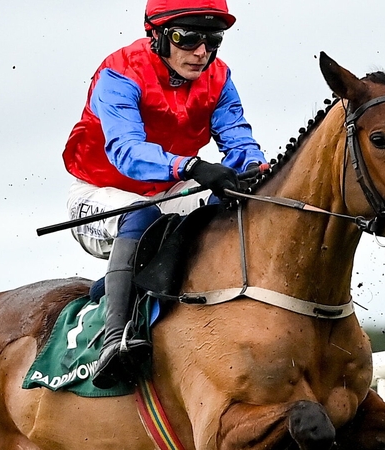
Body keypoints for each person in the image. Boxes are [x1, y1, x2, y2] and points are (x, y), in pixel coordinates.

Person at [62, 0, 266, 389]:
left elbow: (239, 140)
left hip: (170, 189)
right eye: (187, 38)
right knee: (141, 214)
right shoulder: (118, 73)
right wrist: (190, 167)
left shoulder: (218, 77)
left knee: (233, 205)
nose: (201, 52)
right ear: (156, 36)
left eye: (212, 39)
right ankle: (114, 340)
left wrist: (255, 169)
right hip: (101, 192)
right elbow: (125, 151)